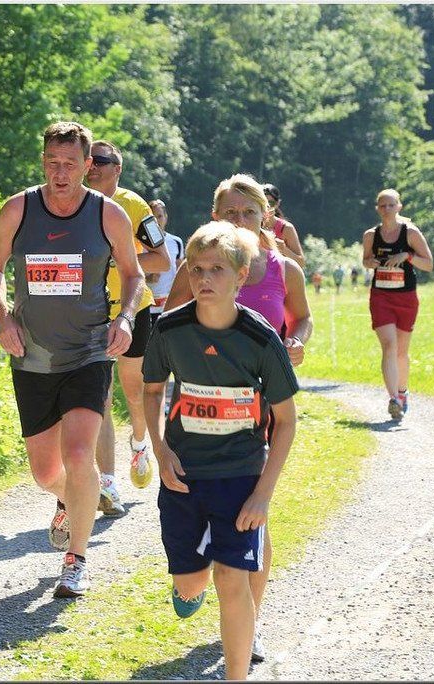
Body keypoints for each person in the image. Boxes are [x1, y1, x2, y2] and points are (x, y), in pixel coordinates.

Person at [0, 122, 144, 598]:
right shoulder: (19, 209)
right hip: (31, 353)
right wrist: (3, 318)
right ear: (43, 162)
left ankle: (76, 560)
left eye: (71, 163)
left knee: (77, 454)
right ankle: (71, 500)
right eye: (52, 162)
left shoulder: (107, 214)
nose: (60, 172)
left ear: (88, 166)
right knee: (46, 472)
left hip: (89, 350)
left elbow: (133, 275)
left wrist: (126, 318)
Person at [163, 173, 312, 663]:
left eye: (249, 212)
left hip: (260, 404)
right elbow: (170, 325)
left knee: (256, 512)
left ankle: (250, 621)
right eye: (230, 212)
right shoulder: (200, 264)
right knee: (213, 509)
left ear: (266, 216)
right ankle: (201, 573)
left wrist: (296, 341)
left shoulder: (283, 268)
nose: (240, 220)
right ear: (214, 216)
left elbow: (302, 317)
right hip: (201, 409)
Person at [85, 140, 170, 513]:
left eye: (101, 160)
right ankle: (107, 484)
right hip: (90, 314)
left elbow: (162, 260)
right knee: (100, 396)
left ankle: (139, 443)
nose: (93, 166)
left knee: (134, 392)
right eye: (89, 159)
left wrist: (117, 257)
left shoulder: (133, 206)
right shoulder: (73, 204)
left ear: (117, 169)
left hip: (133, 310)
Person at [361, 188, 434, 420]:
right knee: (389, 346)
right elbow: (365, 260)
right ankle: (393, 399)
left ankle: (402, 393)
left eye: (391, 205)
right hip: (381, 296)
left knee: (401, 352)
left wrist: (407, 256)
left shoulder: (410, 233)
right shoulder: (371, 235)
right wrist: (371, 262)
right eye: (382, 205)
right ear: (377, 209)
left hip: (406, 297)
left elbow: (429, 264)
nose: (387, 209)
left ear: (399, 207)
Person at [147, 199, 186, 326]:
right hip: (145, 306)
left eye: (160, 216)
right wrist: (147, 278)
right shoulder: (139, 243)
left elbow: (181, 274)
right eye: (152, 217)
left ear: (166, 217)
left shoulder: (176, 242)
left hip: (169, 305)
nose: (156, 221)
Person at [261, 183, 305, 268]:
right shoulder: (251, 224)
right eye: (263, 203)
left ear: (277, 204)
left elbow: (301, 263)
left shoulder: (286, 228)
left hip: (280, 274)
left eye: (270, 203)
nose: (266, 207)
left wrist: (283, 249)